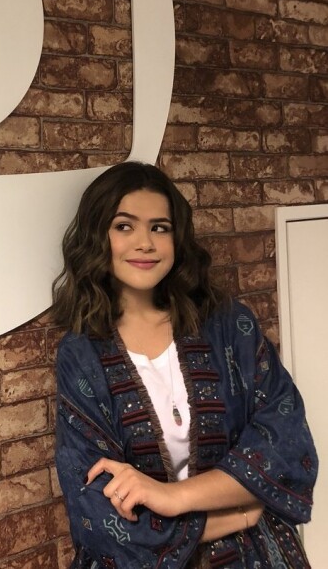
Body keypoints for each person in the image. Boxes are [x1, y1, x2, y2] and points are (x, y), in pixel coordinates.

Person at [52, 161, 317, 569]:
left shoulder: (228, 325)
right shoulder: (80, 356)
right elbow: (99, 517)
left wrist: (171, 497)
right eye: (124, 226)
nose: (145, 243)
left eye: (160, 227)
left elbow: (286, 446)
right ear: (97, 236)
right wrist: (230, 515)